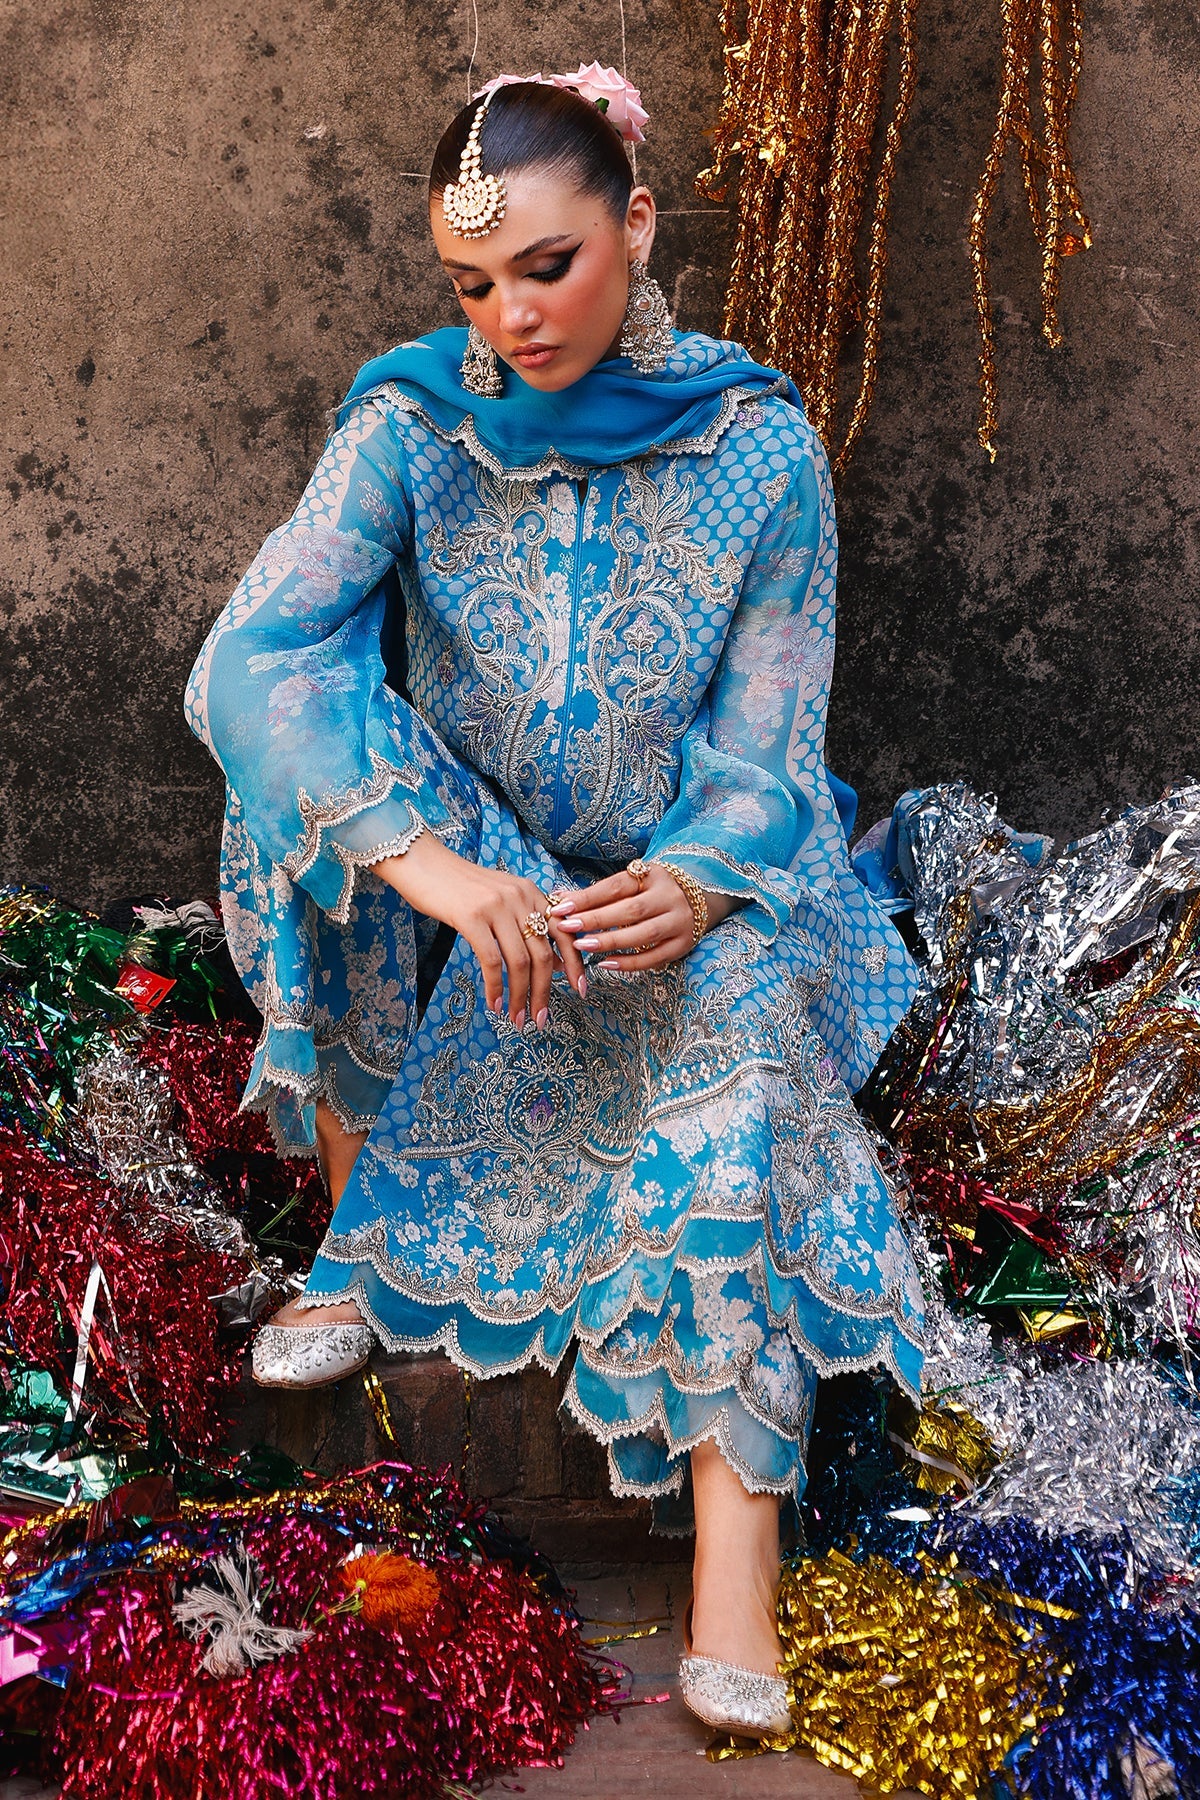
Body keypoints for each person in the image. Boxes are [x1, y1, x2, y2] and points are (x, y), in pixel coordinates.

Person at [185, 68, 926, 1742]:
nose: (509, 318)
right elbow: (249, 661)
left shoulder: (758, 449)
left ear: (637, 225)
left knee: (742, 991)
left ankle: (733, 1549)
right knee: (287, 768)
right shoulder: (412, 424)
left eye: (545, 266)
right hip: (491, 854)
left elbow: (769, 747)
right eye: (471, 284)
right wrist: (438, 870)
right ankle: (360, 1240)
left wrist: (703, 879)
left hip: (690, 867)